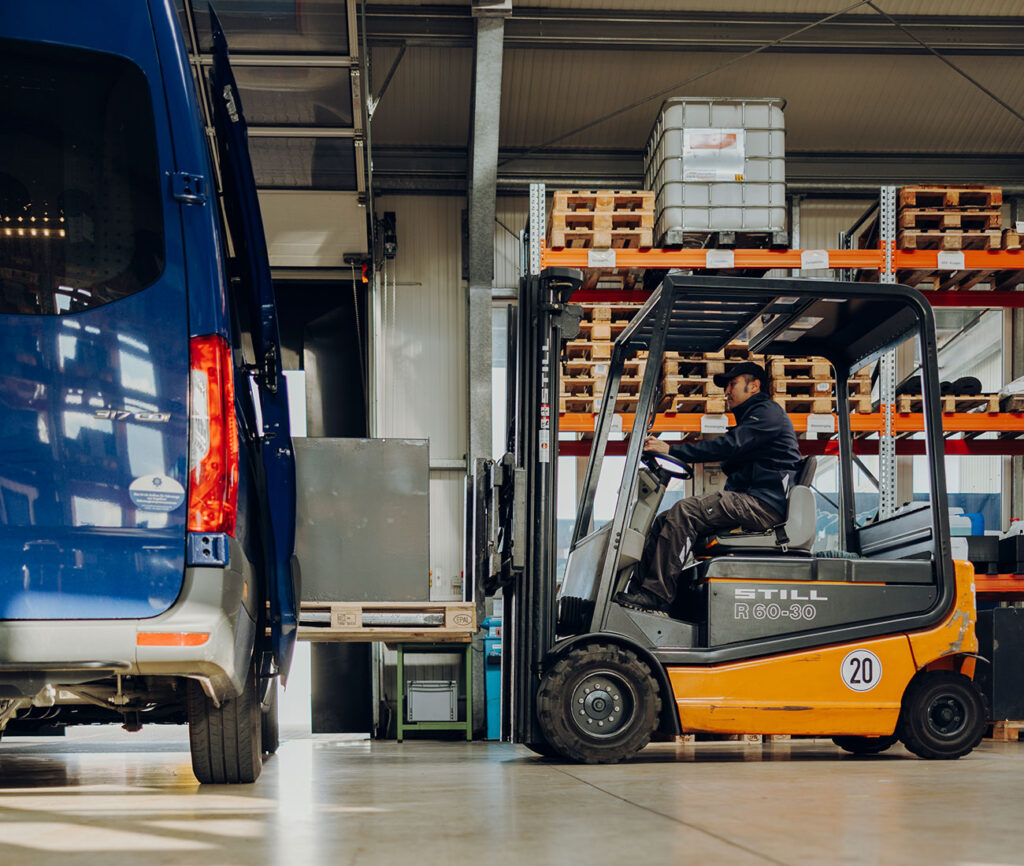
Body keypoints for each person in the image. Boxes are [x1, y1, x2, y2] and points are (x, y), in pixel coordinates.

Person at [615, 361, 803, 615]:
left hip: (763, 506)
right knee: (664, 520)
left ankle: (657, 595)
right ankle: (639, 595)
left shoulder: (767, 413)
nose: (727, 391)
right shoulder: (751, 420)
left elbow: (728, 446)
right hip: (750, 502)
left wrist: (671, 450)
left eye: (732, 384)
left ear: (754, 385)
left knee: (686, 511)